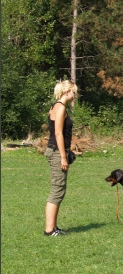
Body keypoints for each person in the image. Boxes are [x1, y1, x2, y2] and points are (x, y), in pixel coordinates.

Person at [44, 80, 78, 236]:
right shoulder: (61, 108)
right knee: (57, 190)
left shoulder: (55, 106)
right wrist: (63, 157)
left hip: (56, 151)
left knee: (59, 189)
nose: (75, 95)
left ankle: (54, 227)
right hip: (57, 152)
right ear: (67, 92)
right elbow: (58, 133)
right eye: (74, 92)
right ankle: (49, 230)